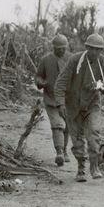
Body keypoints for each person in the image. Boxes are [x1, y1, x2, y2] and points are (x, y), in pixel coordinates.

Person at [54, 33, 104, 182]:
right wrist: (60, 104)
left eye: (98, 50)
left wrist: (100, 86)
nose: (95, 53)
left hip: (93, 104)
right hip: (73, 105)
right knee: (77, 139)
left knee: (93, 134)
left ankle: (94, 167)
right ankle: (80, 168)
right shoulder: (75, 60)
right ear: (87, 48)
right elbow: (60, 83)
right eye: (92, 49)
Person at [35, 34, 70, 166]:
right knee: (57, 125)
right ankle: (59, 152)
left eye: (63, 48)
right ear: (53, 47)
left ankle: (65, 150)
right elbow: (38, 76)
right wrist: (41, 82)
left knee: (68, 127)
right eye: (58, 48)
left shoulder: (70, 59)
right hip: (51, 99)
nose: (61, 50)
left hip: (68, 99)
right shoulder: (46, 60)